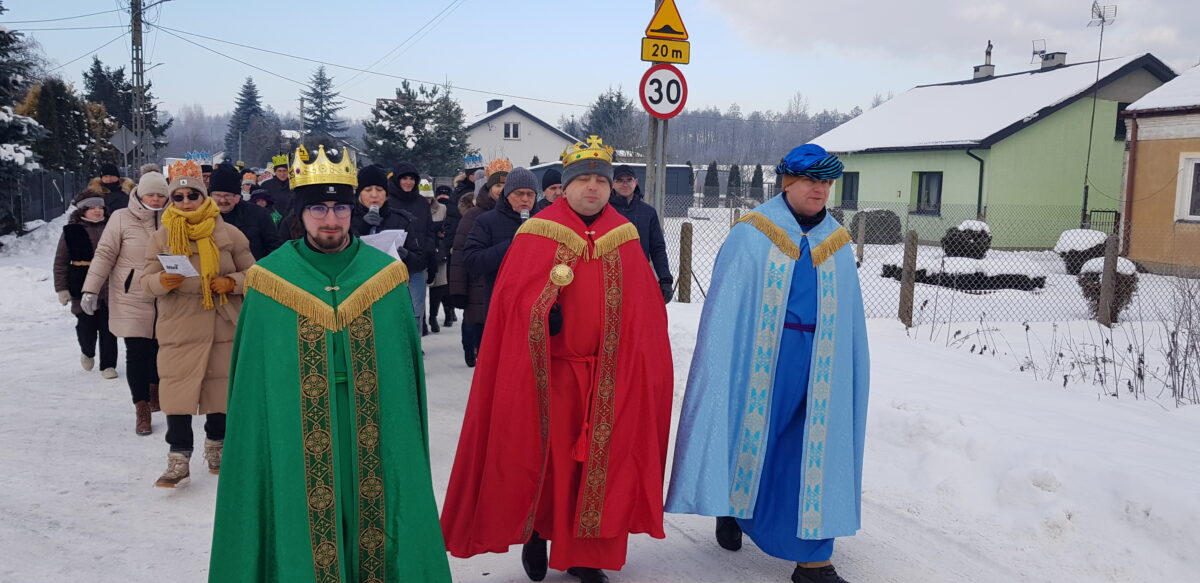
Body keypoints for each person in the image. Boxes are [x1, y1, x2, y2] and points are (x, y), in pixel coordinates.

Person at [209, 145, 451, 582]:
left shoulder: (385, 276)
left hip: (374, 429)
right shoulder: (270, 280)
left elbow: (403, 376)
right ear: (300, 213)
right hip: (293, 432)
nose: (331, 219)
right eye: (318, 208)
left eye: (340, 207)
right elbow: (254, 386)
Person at [441, 137, 674, 583]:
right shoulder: (537, 233)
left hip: (606, 377)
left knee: (595, 468)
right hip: (549, 374)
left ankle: (586, 555)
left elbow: (644, 313)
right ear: (565, 187)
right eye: (582, 180)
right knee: (546, 462)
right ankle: (536, 534)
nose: (593, 188)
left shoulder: (625, 236)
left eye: (600, 181)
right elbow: (511, 303)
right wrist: (538, 313)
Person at [664, 144, 869, 583]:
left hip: (822, 363)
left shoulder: (837, 241)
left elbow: (850, 318)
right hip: (760, 360)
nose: (820, 189)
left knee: (810, 454)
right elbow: (726, 312)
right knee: (752, 439)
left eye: (827, 181)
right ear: (788, 182)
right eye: (811, 179)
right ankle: (731, 506)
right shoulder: (753, 233)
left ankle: (813, 561)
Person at [141, 160, 256, 488]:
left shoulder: (229, 234)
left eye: (193, 195)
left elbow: (256, 275)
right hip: (179, 324)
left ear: (204, 197)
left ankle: (217, 446)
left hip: (221, 321)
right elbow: (145, 281)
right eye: (178, 197)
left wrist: (232, 282)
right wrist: (161, 282)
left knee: (219, 389)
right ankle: (178, 457)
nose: (186, 201)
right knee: (176, 392)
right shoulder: (161, 236)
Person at [81, 171, 170, 435]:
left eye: (160, 195)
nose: (155, 199)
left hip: (166, 295)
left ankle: (155, 391)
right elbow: (105, 253)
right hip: (132, 295)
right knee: (137, 352)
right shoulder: (121, 217)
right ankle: (141, 408)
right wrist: (90, 289)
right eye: (150, 194)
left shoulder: (174, 218)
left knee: (160, 349)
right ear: (140, 194)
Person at [461, 166, 537, 339]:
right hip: (500, 304)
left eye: (530, 194)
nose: (525, 199)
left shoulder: (546, 222)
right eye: (519, 193)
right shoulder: (486, 221)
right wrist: (511, 245)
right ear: (507, 194)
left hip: (535, 305)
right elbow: (472, 261)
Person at [448, 158, 508, 367]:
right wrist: (458, 290)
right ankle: (470, 350)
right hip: (477, 284)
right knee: (476, 328)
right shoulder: (474, 215)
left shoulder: (518, 214)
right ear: (489, 188)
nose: (501, 190)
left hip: (504, 285)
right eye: (497, 185)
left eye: (505, 185)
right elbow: (460, 253)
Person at [54, 193, 118, 379]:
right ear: (82, 210)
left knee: (109, 327)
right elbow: (60, 262)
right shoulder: (72, 231)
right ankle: (87, 351)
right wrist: (62, 289)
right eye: (92, 208)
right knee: (86, 327)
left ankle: (108, 365)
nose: (97, 211)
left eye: (100, 208)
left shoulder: (112, 228)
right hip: (82, 283)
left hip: (109, 284)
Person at [609, 165, 673, 302]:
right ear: (612, 183)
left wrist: (665, 279)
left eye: (629, 180)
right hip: (609, 276)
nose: (625, 184)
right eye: (619, 180)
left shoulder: (648, 212)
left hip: (639, 276)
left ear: (636, 182)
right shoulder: (603, 210)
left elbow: (657, 248)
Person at [386, 161, 434, 332]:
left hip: (416, 265)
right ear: (397, 180)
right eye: (404, 178)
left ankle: (414, 344)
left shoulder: (422, 202)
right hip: (391, 266)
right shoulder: (387, 201)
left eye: (412, 179)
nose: (408, 182)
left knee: (416, 312)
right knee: (393, 312)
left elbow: (429, 232)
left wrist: (430, 259)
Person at [349, 164, 422, 265]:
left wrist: (407, 256)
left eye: (379, 190)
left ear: (386, 195)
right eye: (368, 190)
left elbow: (419, 261)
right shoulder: (347, 218)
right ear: (359, 194)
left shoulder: (401, 220)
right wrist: (363, 227)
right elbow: (340, 254)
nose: (374, 195)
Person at [210, 164, 282, 260]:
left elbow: (274, 246)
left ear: (237, 196)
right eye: (218, 195)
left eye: (227, 196)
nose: (222, 200)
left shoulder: (258, 214)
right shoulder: (203, 216)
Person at [427, 185, 455, 332]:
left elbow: (448, 227)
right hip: (424, 251)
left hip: (440, 251)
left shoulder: (442, 208)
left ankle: (434, 316)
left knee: (439, 287)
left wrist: (442, 232)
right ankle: (422, 321)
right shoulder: (417, 208)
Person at [261, 154, 296, 219]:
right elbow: (263, 203)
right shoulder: (266, 185)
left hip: (291, 219)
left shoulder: (294, 184)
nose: (282, 174)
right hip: (272, 219)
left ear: (288, 171)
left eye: (284, 171)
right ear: (275, 172)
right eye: (279, 171)